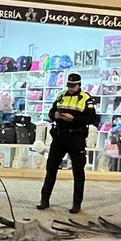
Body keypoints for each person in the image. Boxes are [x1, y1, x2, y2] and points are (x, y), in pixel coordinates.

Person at [36, 73, 97, 214]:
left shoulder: (86, 99)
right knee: (50, 169)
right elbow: (51, 112)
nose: (70, 88)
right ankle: (44, 200)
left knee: (78, 173)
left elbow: (91, 118)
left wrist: (74, 119)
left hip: (76, 138)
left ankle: (77, 204)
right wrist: (54, 115)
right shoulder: (61, 95)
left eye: (73, 86)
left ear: (79, 85)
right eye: (68, 85)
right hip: (59, 137)